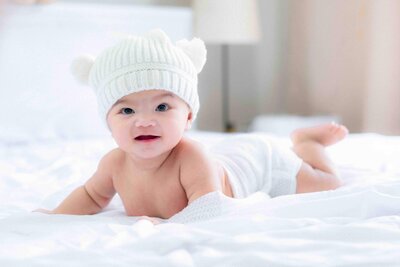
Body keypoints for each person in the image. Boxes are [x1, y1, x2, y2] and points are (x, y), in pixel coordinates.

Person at [38, 29, 347, 220]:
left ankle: (307, 144)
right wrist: (55, 215)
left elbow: (211, 209)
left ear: (188, 117)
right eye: (127, 111)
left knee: (329, 185)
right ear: (108, 123)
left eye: (162, 106)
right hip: (229, 155)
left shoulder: (190, 158)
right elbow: (91, 196)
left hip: (261, 162)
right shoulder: (113, 164)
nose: (144, 120)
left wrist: (166, 226)